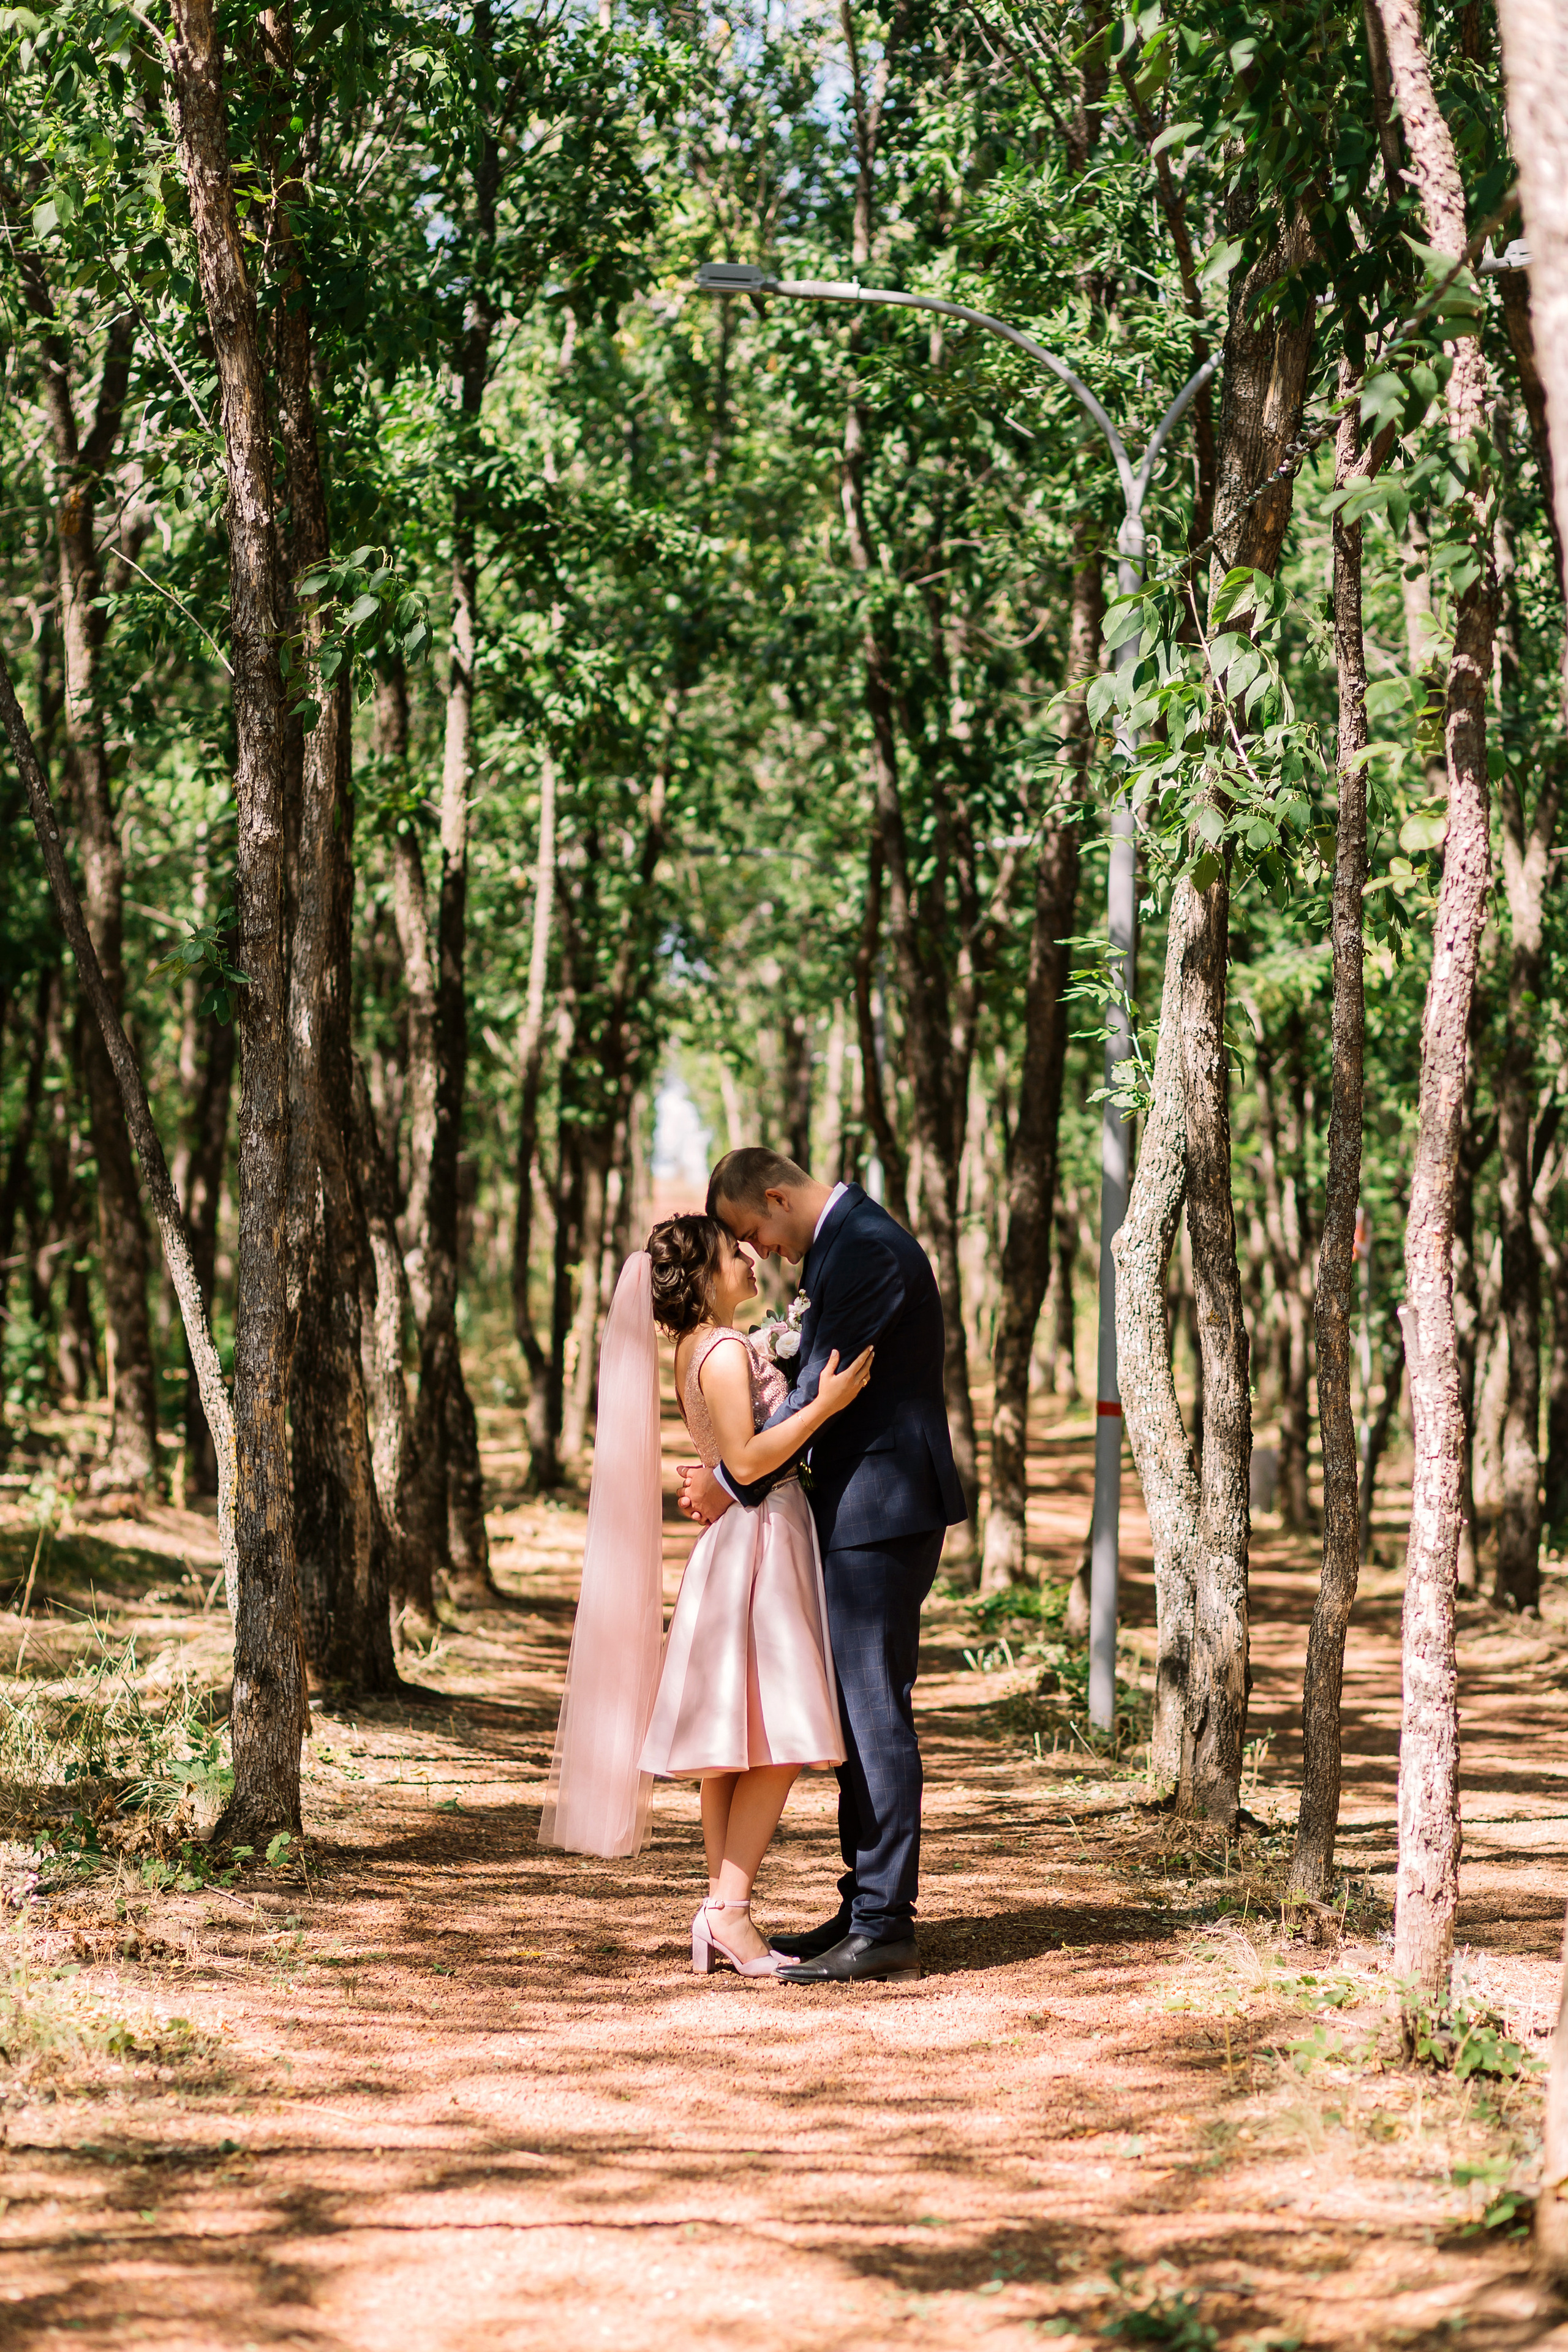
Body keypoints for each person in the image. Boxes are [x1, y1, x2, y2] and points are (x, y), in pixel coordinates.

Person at [538, 1215, 872, 1980]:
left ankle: (724, 1911)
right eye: (734, 1252)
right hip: (760, 1534)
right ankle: (728, 1911)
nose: (751, 1258)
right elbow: (750, 1459)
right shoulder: (720, 1352)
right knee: (781, 1739)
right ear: (704, 1275)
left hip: (744, 1539)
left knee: (733, 1744)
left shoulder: (702, 1346)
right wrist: (826, 1402)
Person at [679, 1148, 967, 1985]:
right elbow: (811, 1380)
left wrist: (729, 1484)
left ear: (775, 1197)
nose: (757, 1251)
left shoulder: (868, 1248)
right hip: (859, 1507)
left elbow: (815, 1393)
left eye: (750, 1232)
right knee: (857, 1710)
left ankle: (885, 1924)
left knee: (874, 1712)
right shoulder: (849, 1245)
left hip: (883, 1508)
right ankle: (862, 1906)